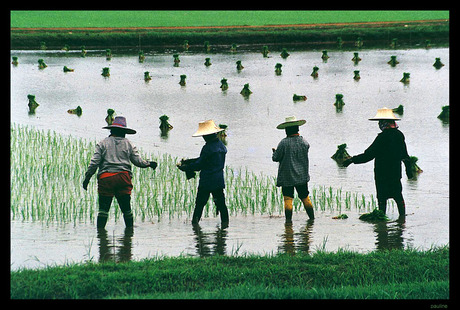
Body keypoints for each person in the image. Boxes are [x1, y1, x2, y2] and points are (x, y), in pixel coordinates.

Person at [83, 116, 157, 229]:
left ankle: (101, 238)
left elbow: (94, 163)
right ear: (124, 132)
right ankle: (129, 236)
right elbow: (138, 161)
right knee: (126, 209)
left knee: (103, 210)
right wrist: (149, 163)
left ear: (111, 130)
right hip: (124, 178)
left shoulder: (102, 143)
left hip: (106, 178)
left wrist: (87, 178)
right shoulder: (129, 144)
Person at [343, 107, 413, 219]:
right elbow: (405, 155)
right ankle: (402, 220)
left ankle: (382, 222)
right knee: (398, 196)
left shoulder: (382, 138)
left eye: (381, 122)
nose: (379, 124)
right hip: (395, 173)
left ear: (384, 123)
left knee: (382, 198)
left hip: (382, 174)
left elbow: (368, 155)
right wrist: (409, 172)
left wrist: (352, 160)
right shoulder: (399, 135)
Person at [178, 120, 229, 226]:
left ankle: (195, 226)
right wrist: (190, 161)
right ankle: (225, 227)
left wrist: (186, 167)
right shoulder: (221, 146)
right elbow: (205, 160)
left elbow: (199, 165)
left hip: (207, 182)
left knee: (200, 205)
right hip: (218, 181)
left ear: (208, 135)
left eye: (204, 135)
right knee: (221, 205)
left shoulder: (207, 148)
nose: (203, 138)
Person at [272, 116, 314, 222]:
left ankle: (288, 223)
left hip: (287, 177)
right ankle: (312, 219)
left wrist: (275, 152)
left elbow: (276, 158)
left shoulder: (283, 143)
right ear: (297, 129)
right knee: (305, 198)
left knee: (288, 199)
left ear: (286, 130)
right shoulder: (304, 142)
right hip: (302, 176)